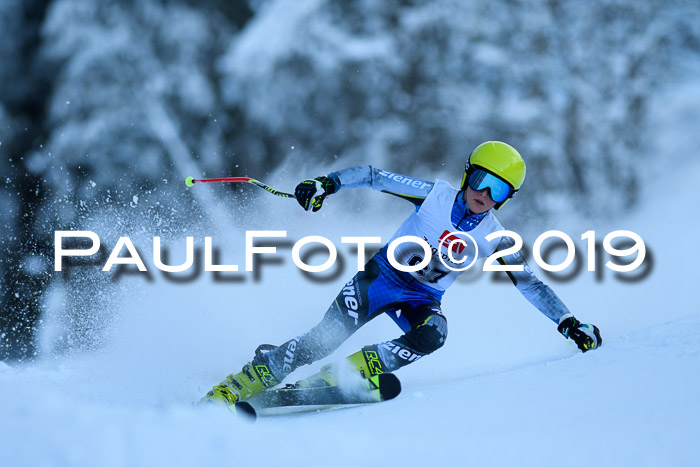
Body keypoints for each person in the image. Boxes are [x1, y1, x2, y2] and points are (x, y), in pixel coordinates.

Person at [201, 141, 602, 408]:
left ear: (507, 199)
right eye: (480, 180)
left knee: (434, 334)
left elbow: (531, 283)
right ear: (467, 175)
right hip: (380, 279)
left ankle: (346, 375)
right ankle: (236, 385)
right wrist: (327, 183)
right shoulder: (435, 195)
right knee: (318, 342)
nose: (484, 194)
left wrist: (568, 322)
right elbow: (374, 176)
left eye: (498, 191)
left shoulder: (496, 237)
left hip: (422, 300)